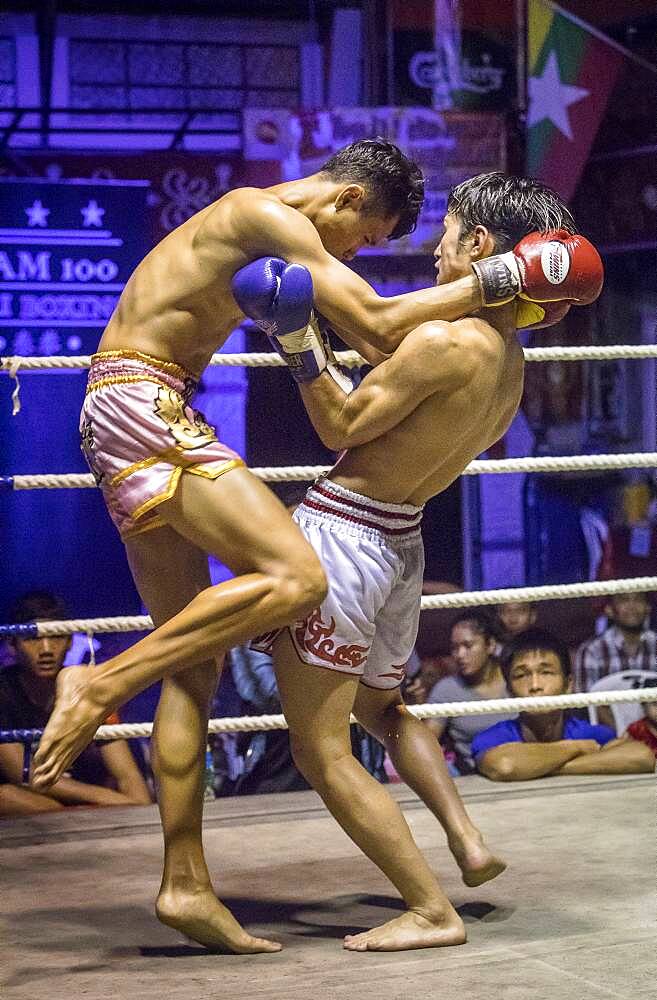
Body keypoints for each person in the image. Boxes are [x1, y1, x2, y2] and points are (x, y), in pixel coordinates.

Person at [30, 145, 583, 953]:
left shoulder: (310, 248)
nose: (346, 258)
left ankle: (184, 884)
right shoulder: (262, 215)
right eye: (363, 239)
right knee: (292, 576)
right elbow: (380, 325)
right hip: (146, 405)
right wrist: (506, 284)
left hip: (150, 407)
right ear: (348, 196)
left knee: (196, 662)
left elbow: (377, 368)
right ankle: (98, 683)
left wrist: (303, 338)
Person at [235, 171, 604, 951]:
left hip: (345, 538)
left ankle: (428, 907)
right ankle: (466, 841)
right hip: (401, 541)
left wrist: (295, 338)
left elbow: (340, 425)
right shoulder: (508, 359)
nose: (435, 244)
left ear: (476, 245)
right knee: (381, 708)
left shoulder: (444, 339)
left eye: (446, 229)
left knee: (318, 745)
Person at [0, 592, 151, 817]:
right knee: (9, 797)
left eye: (57, 637)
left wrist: (136, 804)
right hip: (37, 804)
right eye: (33, 638)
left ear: (70, 641)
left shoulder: (87, 690)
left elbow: (129, 778)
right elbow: (21, 775)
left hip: (85, 807)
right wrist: (105, 800)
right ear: (12, 643)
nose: (46, 649)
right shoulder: (3, 693)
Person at [472, 628, 655, 781]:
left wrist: (542, 767)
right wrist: (575, 748)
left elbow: (642, 757)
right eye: (521, 675)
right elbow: (506, 765)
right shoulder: (493, 738)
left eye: (546, 672)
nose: (535, 685)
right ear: (510, 691)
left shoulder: (591, 734)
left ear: (568, 685)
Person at [425, 612, 516, 775]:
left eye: (468, 646)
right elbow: (426, 745)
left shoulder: (515, 681)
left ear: (491, 645)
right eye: (454, 648)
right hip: (469, 774)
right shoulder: (447, 690)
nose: (459, 655)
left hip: (521, 766)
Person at [574, 592, 657, 692]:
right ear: (609, 609)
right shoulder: (591, 651)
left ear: (648, 607)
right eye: (624, 600)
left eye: (638, 599)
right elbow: (584, 702)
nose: (632, 606)